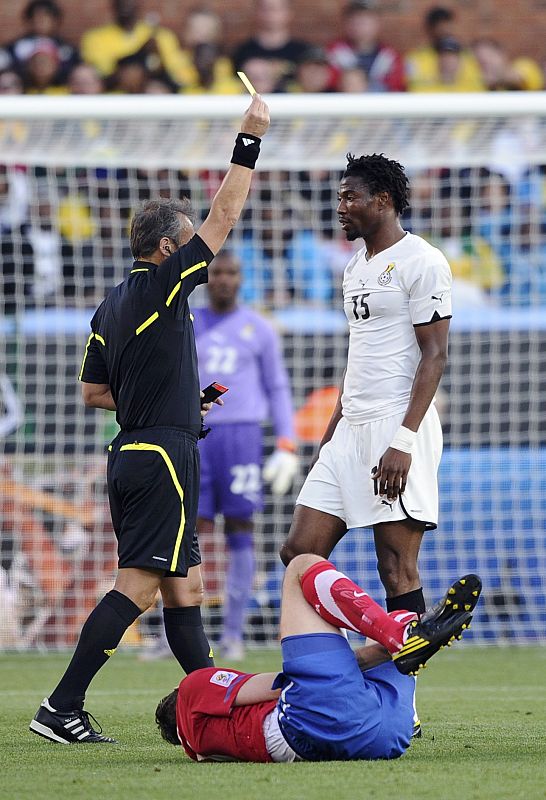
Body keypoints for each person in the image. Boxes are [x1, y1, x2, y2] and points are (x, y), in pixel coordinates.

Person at [29, 93, 270, 744]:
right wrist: (249, 139)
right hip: (163, 456)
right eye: (189, 242)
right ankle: (60, 706)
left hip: (139, 447)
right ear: (168, 247)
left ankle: (218, 710)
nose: (200, 252)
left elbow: (93, 392)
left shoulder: (110, 306)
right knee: (136, 587)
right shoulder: (163, 285)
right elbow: (225, 215)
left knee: (183, 590)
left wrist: (176, 402)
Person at [280, 154, 453, 684]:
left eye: (350, 196)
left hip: (396, 426)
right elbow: (361, 358)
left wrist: (403, 440)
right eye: (339, 197)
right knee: (298, 553)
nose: (341, 207)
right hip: (349, 428)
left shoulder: (423, 261)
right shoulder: (355, 266)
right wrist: (332, 432)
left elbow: (435, 357)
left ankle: (403, 701)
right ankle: (364, 652)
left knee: (395, 568)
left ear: (383, 200)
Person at [155, 554, 482, 762]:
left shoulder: (202, 750)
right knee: (301, 567)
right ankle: (399, 634)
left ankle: (399, 639)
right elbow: (275, 687)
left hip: (386, 737)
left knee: (380, 636)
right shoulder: (192, 690)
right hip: (314, 724)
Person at [327, 1, 405, 93]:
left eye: (365, 20)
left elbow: (396, 89)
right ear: (345, 23)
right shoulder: (333, 53)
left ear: (378, 22)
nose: (359, 25)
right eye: (353, 20)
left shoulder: (390, 57)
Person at [405, 5, 482, 92]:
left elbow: (477, 90)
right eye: (441, 29)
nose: (446, 32)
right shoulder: (416, 59)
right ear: (430, 30)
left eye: (448, 28)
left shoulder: (467, 56)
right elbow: (414, 91)